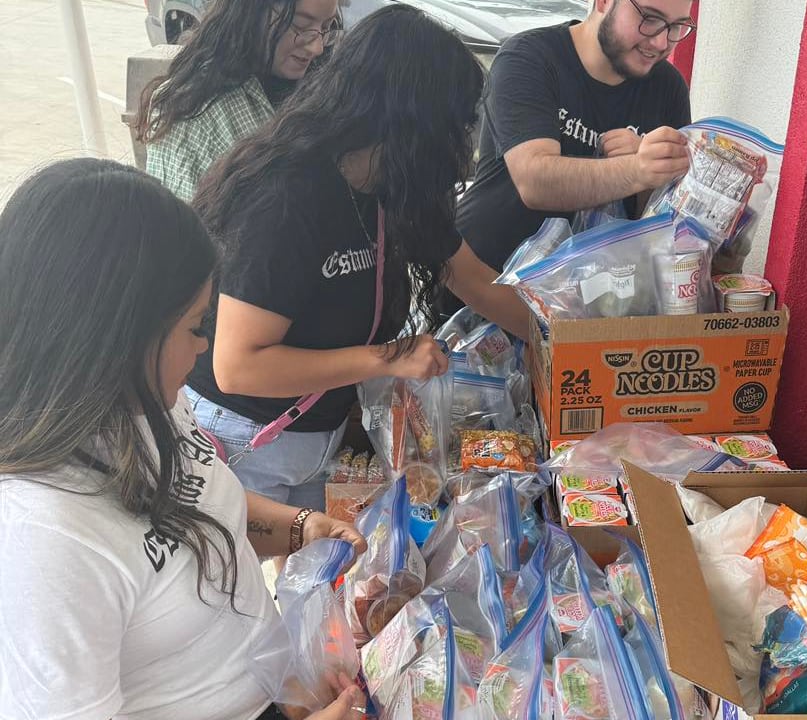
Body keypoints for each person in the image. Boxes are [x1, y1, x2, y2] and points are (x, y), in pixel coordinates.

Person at [0, 159, 366, 720]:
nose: (205, 348)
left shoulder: (140, 403)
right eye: (197, 327)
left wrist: (297, 528)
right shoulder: (41, 543)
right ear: (117, 340)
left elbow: (189, 505)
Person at [186, 6, 531, 511]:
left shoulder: (396, 188)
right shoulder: (285, 197)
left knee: (316, 573)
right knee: (235, 582)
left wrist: (559, 341)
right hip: (243, 435)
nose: (464, 146)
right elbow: (239, 367)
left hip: (318, 428)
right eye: (455, 126)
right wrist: (388, 359)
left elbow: (475, 280)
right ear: (410, 120)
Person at [455, 0, 696, 278]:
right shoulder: (529, 57)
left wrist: (653, 170)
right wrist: (640, 169)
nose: (661, 42)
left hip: (591, 297)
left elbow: (665, 225)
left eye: (676, 26)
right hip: (486, 284)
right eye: (650, 18)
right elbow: (535, 182)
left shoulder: (668, 87)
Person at [137, 0, 341, 202]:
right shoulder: (195, 111)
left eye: (326, 27)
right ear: (252, 12)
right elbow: (185, 226)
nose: (317, 47)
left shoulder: (316, 89)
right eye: (301, 26)